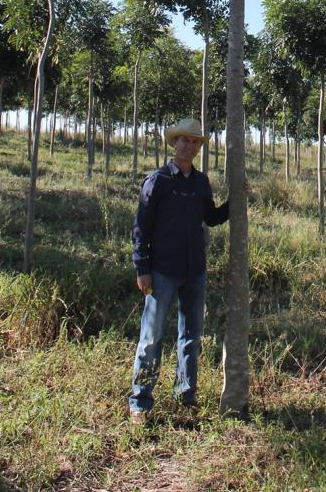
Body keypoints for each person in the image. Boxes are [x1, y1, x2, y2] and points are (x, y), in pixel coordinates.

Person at [129, 117, 230, 423]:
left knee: (191, 335)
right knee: (152, 336)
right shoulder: (158, 180)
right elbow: (141, 227)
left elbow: (210, 218)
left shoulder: (201, 182)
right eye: (185, 140)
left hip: (194, 270)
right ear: (174, 143)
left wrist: (235, 202)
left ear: (200, 147)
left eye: (196, 141)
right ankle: (140, 402)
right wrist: (142, 267)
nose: (190, 145)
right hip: (162, 270)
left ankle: (186, 395)